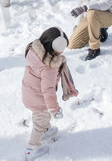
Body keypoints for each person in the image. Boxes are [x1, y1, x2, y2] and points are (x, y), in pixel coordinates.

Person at [22, 27, 68, 160]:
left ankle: (46, 130)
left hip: (30, 93)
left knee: (41, 118)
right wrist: (55, 109)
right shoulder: (49, 67)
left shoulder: (35, 52)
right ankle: (32, 148)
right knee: (39, 122)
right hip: (40, 99)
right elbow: (48, 91)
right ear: (57, 48)